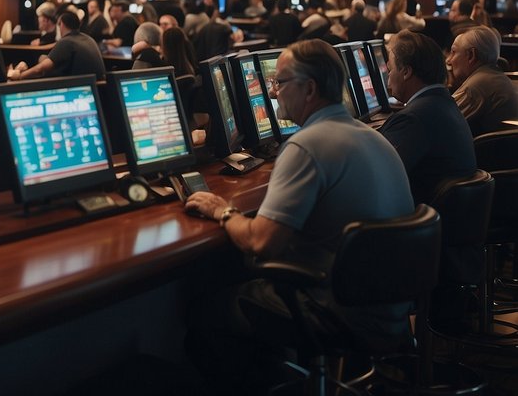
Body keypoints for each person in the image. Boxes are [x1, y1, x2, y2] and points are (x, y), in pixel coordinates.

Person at [185, 40, 414, 393]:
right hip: (391, 308)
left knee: (206, 309)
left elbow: (262, 242)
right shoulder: (374, 138)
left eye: (280, 82)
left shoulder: (306, 145)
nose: (273, 93)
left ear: (309, 89)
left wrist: (223, 210)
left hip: (342, 312)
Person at [378, 31, 476, 202]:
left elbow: (377, 174)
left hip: (415, 220)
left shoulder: (414, 119)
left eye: (391, 68)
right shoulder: (444, 103)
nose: (389, 75)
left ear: (406, 72)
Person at [448, 25, 518, 137]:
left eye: (453, 52)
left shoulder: (475, 88)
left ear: (471, 55)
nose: (448, 60)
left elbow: (441, 124)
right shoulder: (497, 78)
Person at [10, 11, 105, 81]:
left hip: (80, 88)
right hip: (97, 87)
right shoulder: (88, 39)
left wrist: (20, 76)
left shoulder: (67, 41)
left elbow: (40, 70)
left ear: (62, 24)